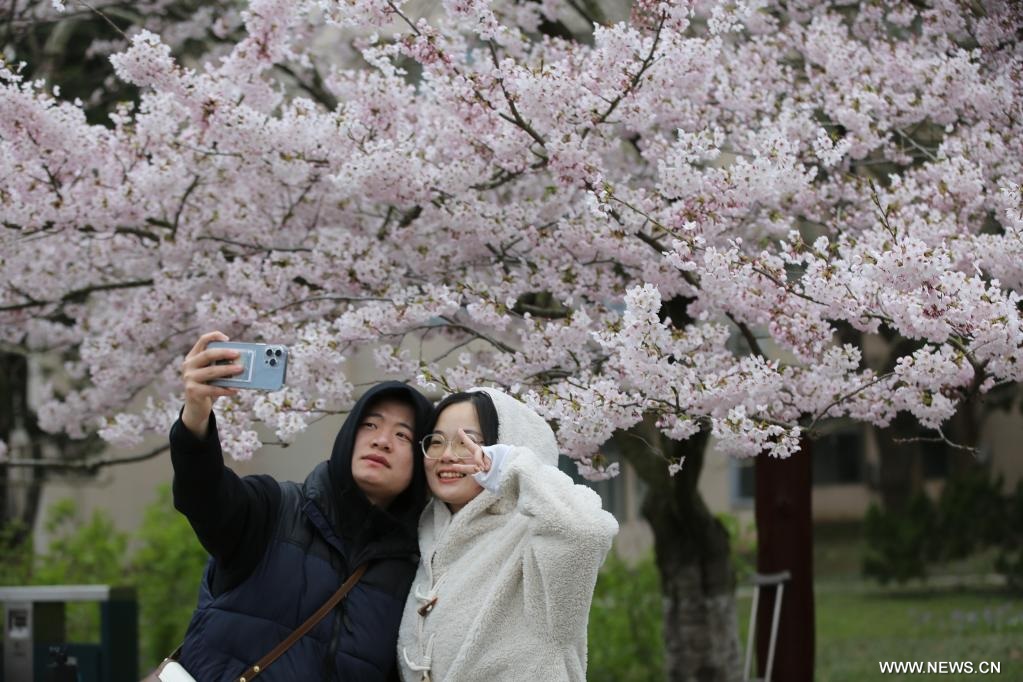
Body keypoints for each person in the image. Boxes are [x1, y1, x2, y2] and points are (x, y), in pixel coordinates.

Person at [168, 331, 432, 680]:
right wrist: (195, 418)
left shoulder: (414, 574)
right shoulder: (274, 509)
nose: (382, 441)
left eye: (403, 435)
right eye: (370, 425)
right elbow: (202, 495)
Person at [397, 387, 619, 682]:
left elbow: (585, 533)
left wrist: (512, 468)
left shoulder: (533, 537)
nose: (447, 455)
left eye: (468, 442)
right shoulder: (428, 541)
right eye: (436, 442)